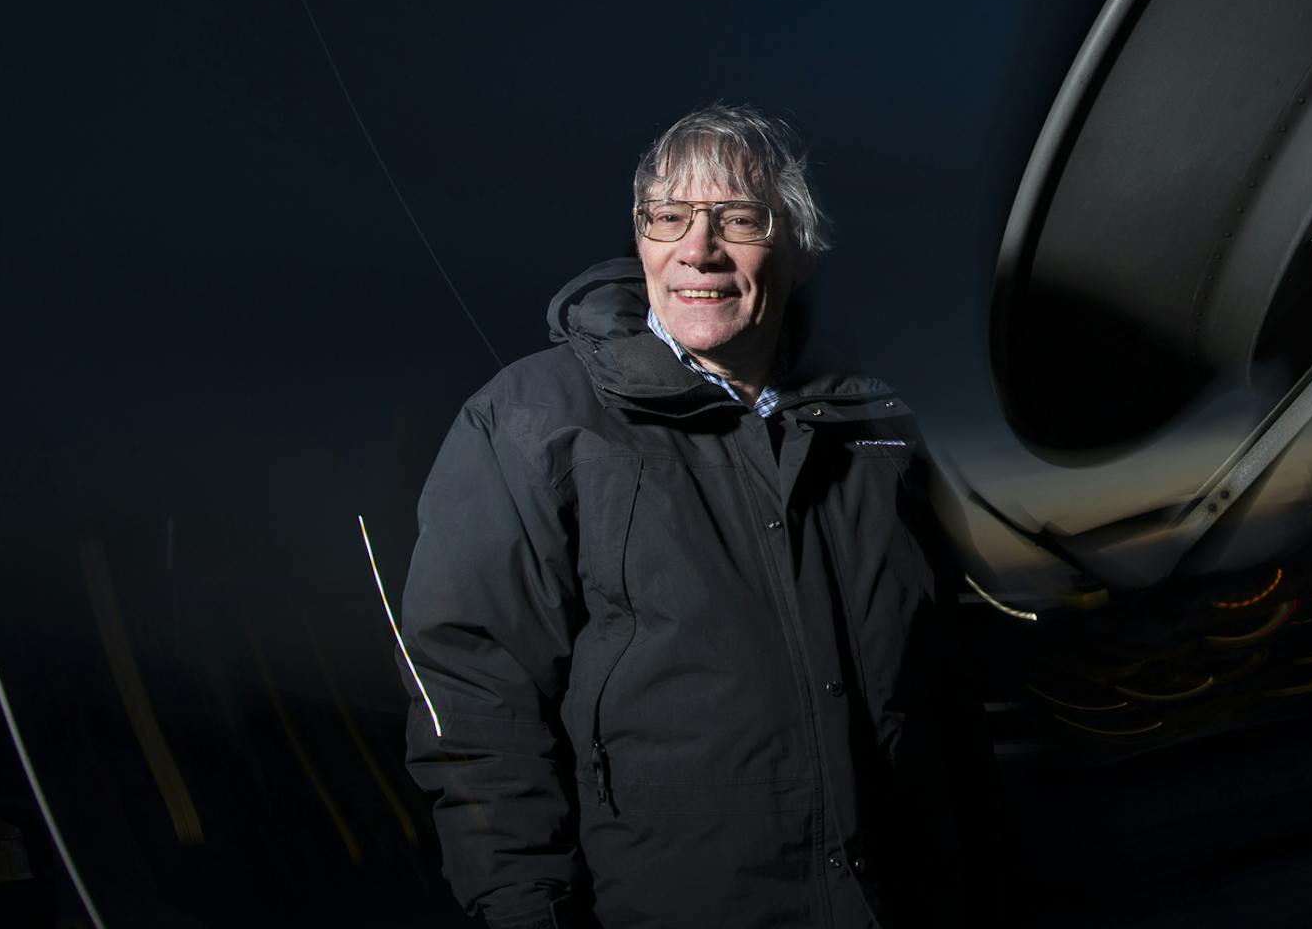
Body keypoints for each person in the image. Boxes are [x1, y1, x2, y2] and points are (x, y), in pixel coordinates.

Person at [401, 105, 995, 929]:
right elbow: (472, 696)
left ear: (802, 247)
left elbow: (946, 689)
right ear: (639, 236)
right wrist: (524, 911)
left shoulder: (877, 429)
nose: (698, 250)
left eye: (739, 219)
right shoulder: (532, 423)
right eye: (668, 217)